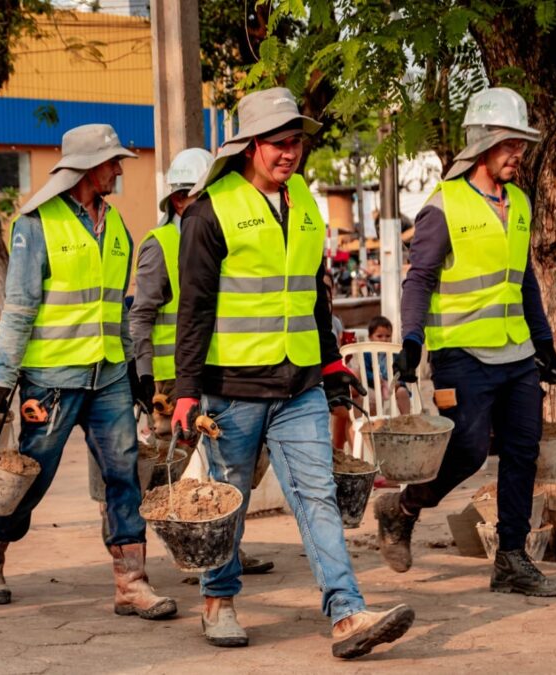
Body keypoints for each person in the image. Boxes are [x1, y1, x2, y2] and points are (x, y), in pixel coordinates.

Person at [174, 87, 414, 659]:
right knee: (227, 499)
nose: (291, 153)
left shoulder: (303, 200)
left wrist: (332, 366)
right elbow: (194, 309)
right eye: (279, 143)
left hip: (299, 382)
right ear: (250, 145)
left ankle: (347, 613)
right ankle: (219, 600)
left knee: (317, 496)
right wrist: (186, 392)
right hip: (232, 389)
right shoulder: (211, 211)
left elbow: (313, 293)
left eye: (297, 142)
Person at [0, 124, 177, 620]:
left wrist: (135, 370)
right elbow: (19, 307)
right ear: (87, 167)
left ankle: (131, 582)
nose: (120, 169)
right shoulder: (36, 225)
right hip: (52, 381)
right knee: (32, 479)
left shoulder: (118, 230)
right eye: (113, 162)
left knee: (124, 475)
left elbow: (119, 309)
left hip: (107, 375)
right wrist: (5, 378)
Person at [380, 87, 556, 598]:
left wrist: (543, 340)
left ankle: (510, 557)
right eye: (509, 143)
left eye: (521, 144)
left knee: (523, 452)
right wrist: (412, 341)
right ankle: (403, 507)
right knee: (463, 451)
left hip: (517, 353)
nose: (517, 154)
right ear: (482, 143)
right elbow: (418, 280)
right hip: (461, 354)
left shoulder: (520, 204)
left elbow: (522, 277)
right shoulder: (444, 207)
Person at [128, 147, 274, 577]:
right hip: (174, 383)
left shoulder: (226, 230)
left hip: (226, 369)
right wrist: (146, 375)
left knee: (238, 465)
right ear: (178, 200)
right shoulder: (161, 245)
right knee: (170, 473)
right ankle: (181, 549)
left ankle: (223, 545)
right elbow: (142, 314)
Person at [364, 316, 411, 416]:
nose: (384, 339)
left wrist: (398, 382)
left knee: (402, 391)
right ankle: (376, 421)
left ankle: (406, 418)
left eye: (388, 336)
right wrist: (375, 378)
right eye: (379, 336)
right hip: (374, 386)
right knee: (372, 398)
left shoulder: (395, 353)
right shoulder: (367, 354)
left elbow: (401, 372)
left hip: (394, 385)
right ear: (370, 337)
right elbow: (364, 371)